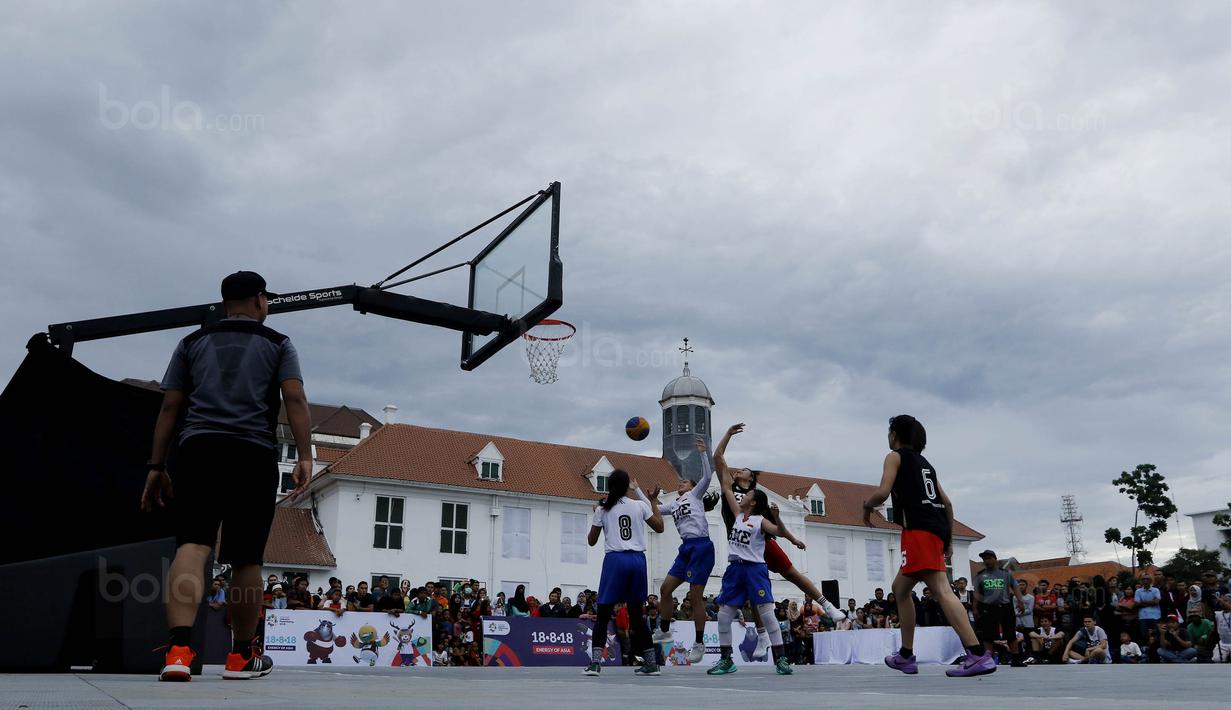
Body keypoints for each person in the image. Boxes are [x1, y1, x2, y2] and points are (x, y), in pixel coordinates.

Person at [142, 271, 310, 682]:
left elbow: (169, 408)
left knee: (192, 545)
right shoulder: (279, 343)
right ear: (259, 299)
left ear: (223, 303)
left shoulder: (191, 343)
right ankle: (240, 658)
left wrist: (156, 466)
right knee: (246, 557)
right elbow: (294, 397)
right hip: (253, 453)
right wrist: (306, 455)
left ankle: (178, 653)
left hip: (199, 450)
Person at [865, 414, 996, 678]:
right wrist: (948, 540)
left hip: (918, 529)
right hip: (934, 529)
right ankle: (906, 655)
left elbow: (883, 492)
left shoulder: (894, 457)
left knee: (941, 589)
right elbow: (947, 503)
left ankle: (977, 653)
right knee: (900, 588)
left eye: (889, 432)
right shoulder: (926, 465)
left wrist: (866, 506)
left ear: (895, 435)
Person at [711, 424, 845, 657]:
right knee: (753, 594)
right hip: (741, 547)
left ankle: (827, 605)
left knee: (792, 574)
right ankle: (762, 636)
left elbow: (774, 524)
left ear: (750, 479)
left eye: (743, 470)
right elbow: (718, 457)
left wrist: (792, 539)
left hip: (761, 542)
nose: (738, 470)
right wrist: (728, 435)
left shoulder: (756, 499)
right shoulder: (730, 490)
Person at [704, 459, 793, 676]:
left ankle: (781, 659)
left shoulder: (760, 521)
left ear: (752, 502)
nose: (742, 496)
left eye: (747, 495)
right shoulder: (737, 515)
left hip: (754, 569)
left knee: (767, 614)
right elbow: (726, 486)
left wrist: (778, 519)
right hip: (735, 569)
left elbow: (779, 532)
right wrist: (720, 450)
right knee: (724, 616)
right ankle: (726, 660)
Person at [582, 469, 664, 677]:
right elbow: (659, 527)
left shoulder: (603, 508)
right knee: (636, 615)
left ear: (610, 486)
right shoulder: (639, 505)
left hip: (615, 560)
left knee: (603, 614)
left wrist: (596, 515)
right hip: (637, 560)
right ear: (628, 485)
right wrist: (653, 502)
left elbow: (591, 541)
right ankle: (651, 663)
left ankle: (595, 663)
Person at [653, 436, 718, 664]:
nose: (680, 483)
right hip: (686, 548)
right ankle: (664, 630)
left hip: (701, 546)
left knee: (695, 596)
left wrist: (703, 453)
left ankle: (699, 643)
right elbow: (653, 511)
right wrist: (643, 494)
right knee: (665, 589)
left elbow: (708, 477)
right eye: (680, 482)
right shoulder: (675, 504)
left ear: (692, 486)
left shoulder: (695, 495)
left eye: (685, 482)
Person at [972, 550, 1028, 666]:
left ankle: (1016, 659)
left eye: (989, 558)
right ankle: (988, 660)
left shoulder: (1005, 574)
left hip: (1005, 607)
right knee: (988, 635)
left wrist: (1020, 601)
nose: (986, 561)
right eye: (984, 559)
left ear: (995, 559)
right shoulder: (980, 575)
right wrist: (975, 608)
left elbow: (1015, 587)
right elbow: (976, 593)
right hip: (988, 608)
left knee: (1010, 633)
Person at [1135, 574, 1162, 641]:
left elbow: (1156, 602)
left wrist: (1143, 601)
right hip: (1143, 617)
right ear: (1141, 581)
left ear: (1151, 581)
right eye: (1143, 579)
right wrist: (1152, 602)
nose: (1145, 581)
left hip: (1155, 616)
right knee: (1144, 636)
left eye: (1147, 579)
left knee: (1156, 636)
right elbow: (1137, 604)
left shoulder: (1156, 590)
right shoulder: (1138, 591)